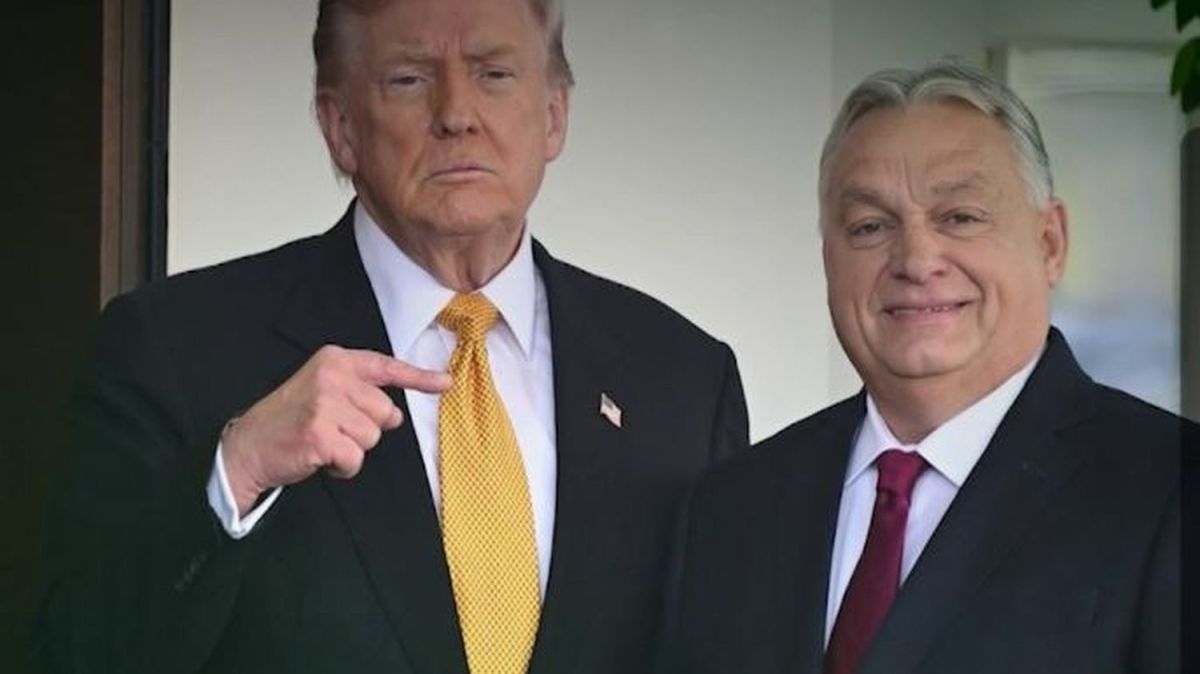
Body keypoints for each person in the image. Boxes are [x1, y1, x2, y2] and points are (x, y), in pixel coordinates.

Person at [37, 0, 748, 672]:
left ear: (554, 115)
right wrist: (238, 471)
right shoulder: (175, 347)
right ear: (340, 126)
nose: (456, 115)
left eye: (494, 74)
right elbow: (70, 649)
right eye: (409, 79)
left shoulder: (685, 381)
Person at [663, 62, 1194, 674]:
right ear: (829, 260)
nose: (916, 260)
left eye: (960, 217)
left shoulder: (1170, 490)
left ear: (1050, 242)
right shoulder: (732, 506)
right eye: (870, 227)